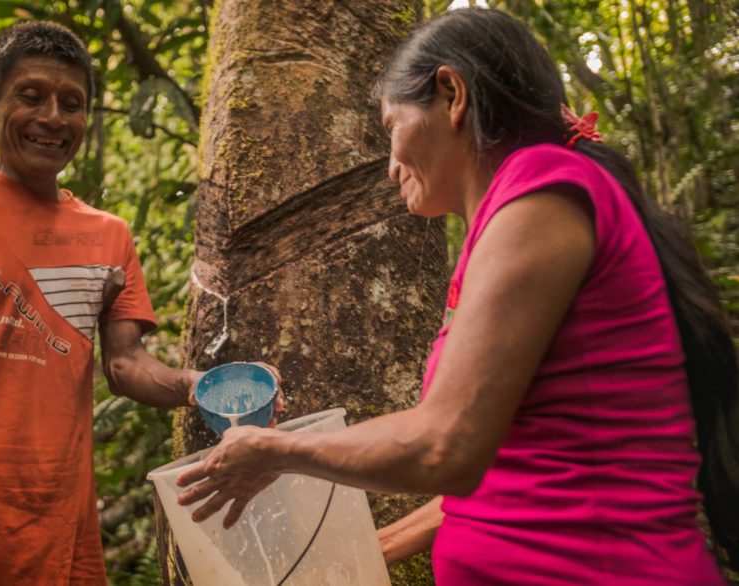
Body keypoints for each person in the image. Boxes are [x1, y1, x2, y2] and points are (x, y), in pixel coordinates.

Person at [176, 8, 738, 585]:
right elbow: (506, 460)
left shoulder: (542, 191)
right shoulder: (518, 214)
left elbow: (446, 447)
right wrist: (369, 549)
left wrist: (273, 451)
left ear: (452, 94)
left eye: (392, 127)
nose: (391, 165)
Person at [0, 21, 280, 585]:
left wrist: (195, 385)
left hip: (59, 539)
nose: (53, 118)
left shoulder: (108, 235)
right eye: (31, 95)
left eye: (73, 103)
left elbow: (125, 365)